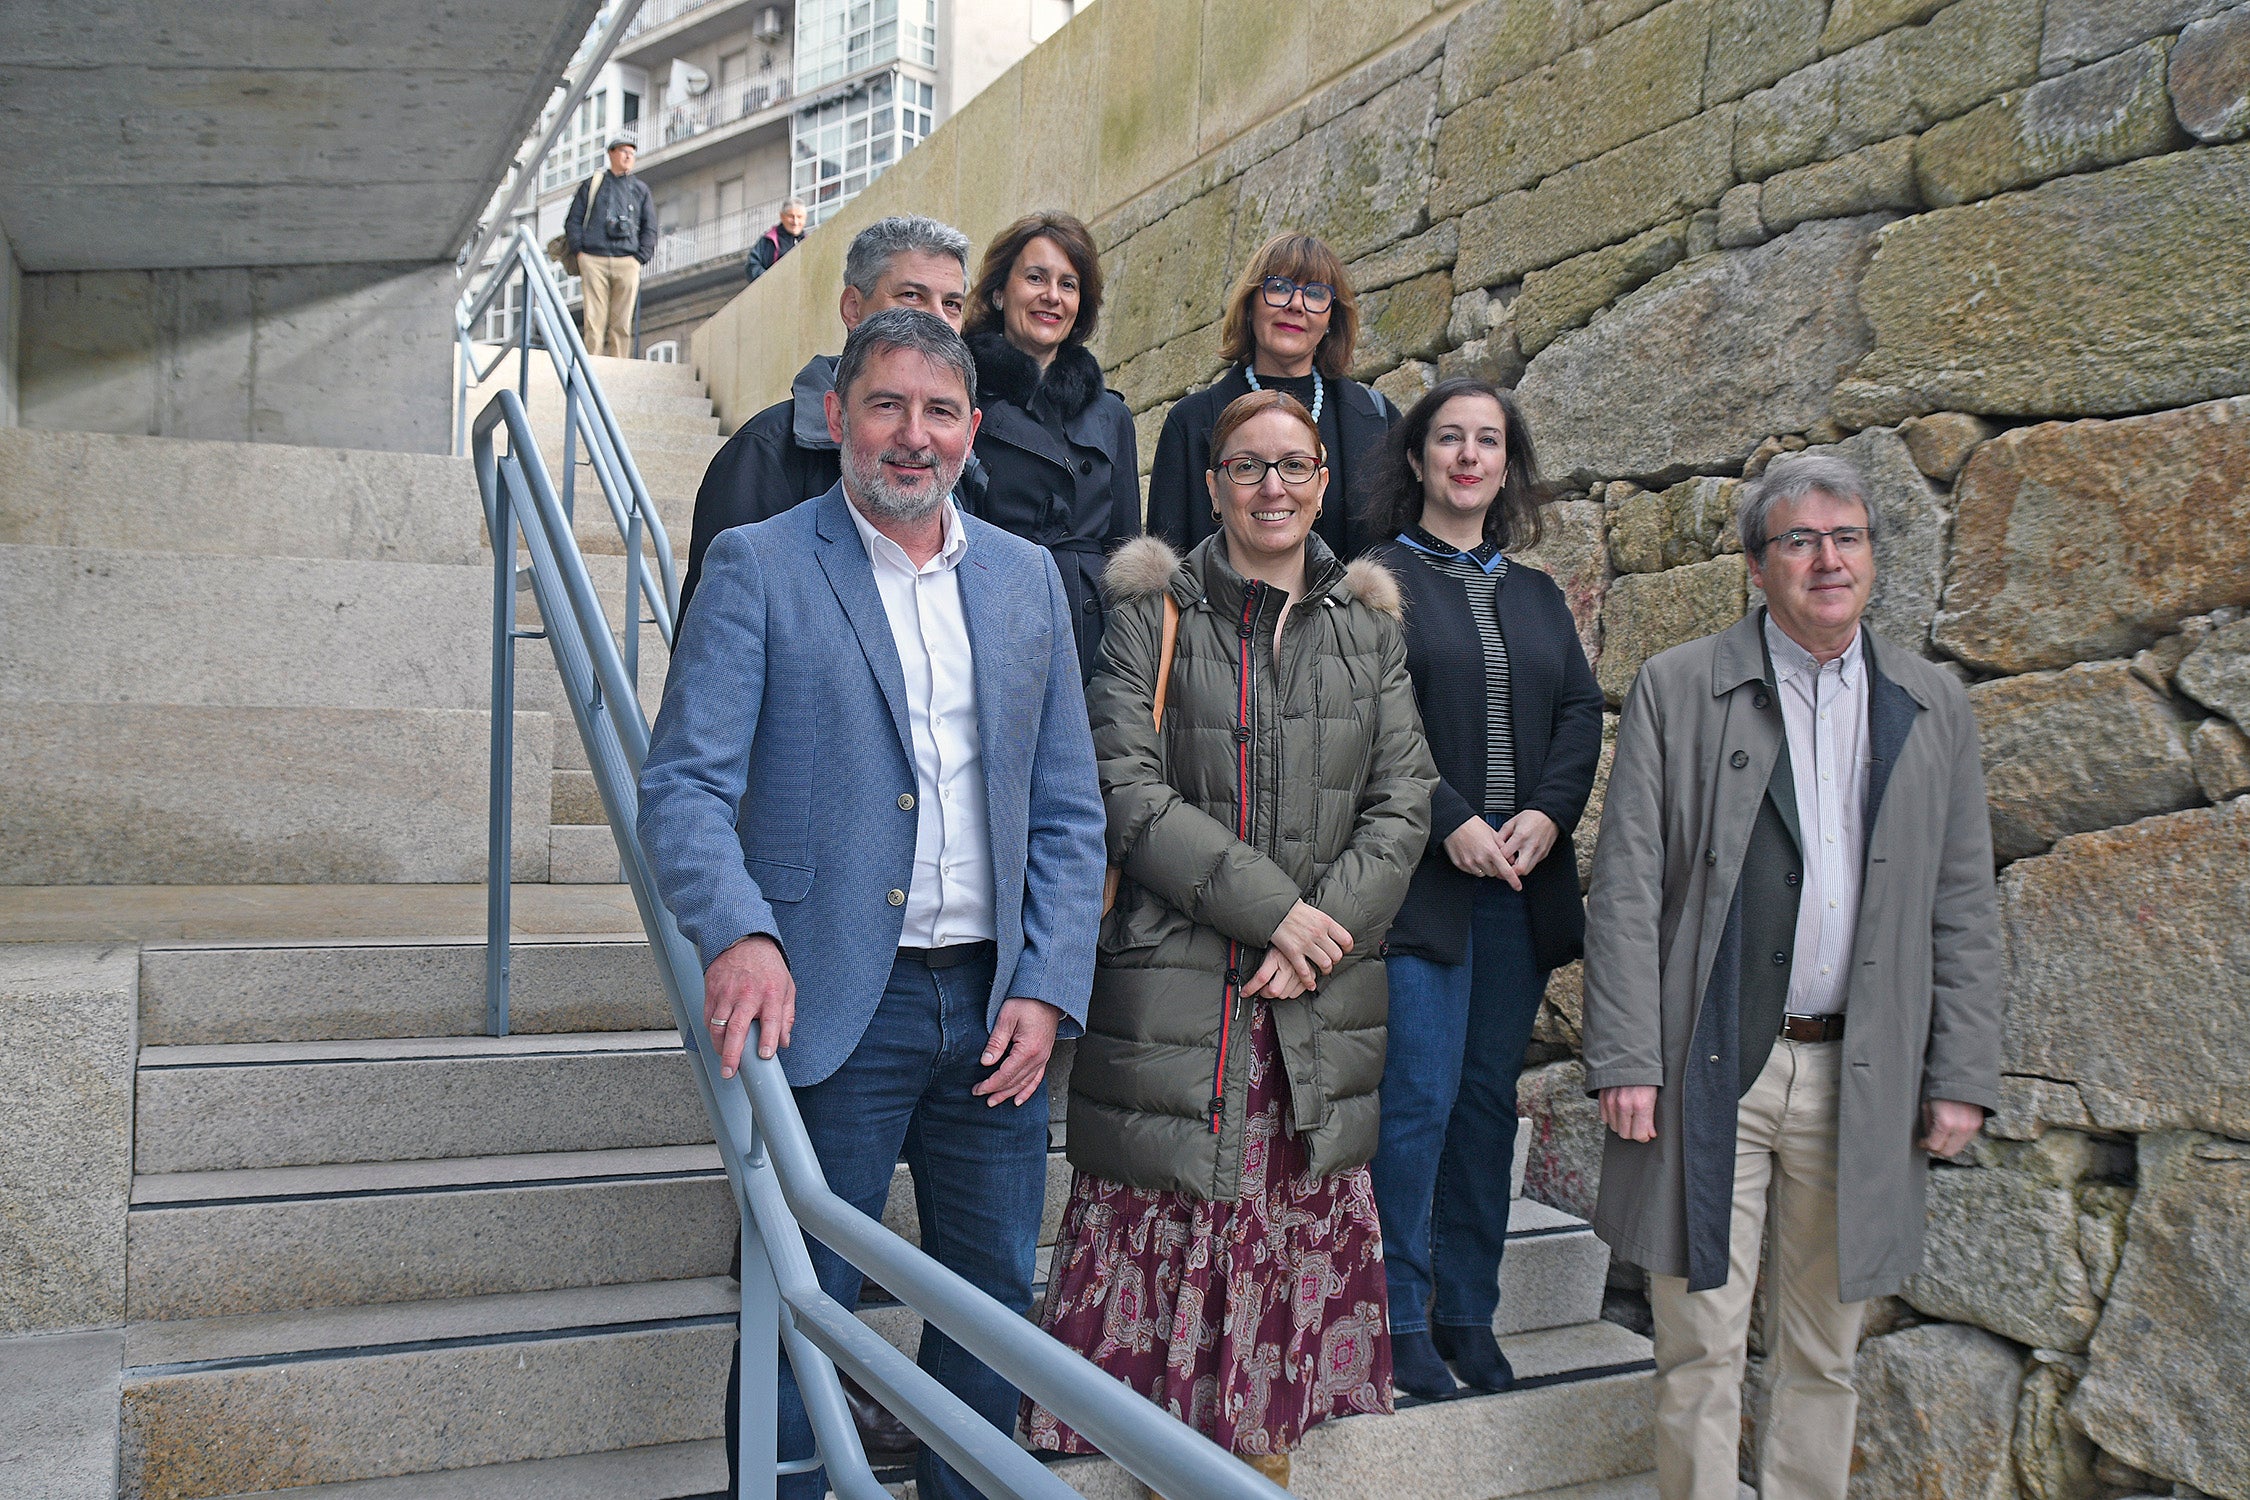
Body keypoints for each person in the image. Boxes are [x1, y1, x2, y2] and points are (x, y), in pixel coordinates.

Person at [638, 308, 1106, 1500]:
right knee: (805, 1299)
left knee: (991, 1300)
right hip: (832, 1001)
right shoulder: (761, 562)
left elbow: (1068, 813)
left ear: (973, 429)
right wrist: (740, 931)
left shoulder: (1027, 582)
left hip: (997, 1010)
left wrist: (1050, 987)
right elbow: (683, 789)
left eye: (939, 411)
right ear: (838, 416)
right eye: (887, 406)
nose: (913, 436)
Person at [1027, 390, 1437, 1491]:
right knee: (1169, 1200)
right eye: (1247, 468)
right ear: (1211, 485)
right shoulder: (1150, 618)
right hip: (1181, 992)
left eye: (1294, 467)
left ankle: (1259, 1457)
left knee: (1290, 1210)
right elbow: (1123, 787)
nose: (1273, 488)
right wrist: (1279, 913)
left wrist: (1324, 929)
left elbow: (1405, 803)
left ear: (1322, 480)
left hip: (1319, 993)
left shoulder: (1369, 630)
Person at [1582, 453, 2004, 1500]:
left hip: (1860, 1072)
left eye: (1847, 537)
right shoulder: (1681, 687)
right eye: (1801, 541)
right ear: (1758, 567)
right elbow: (1628, 883)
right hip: (1705, 1063)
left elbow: (1962, 901)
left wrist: (1962, 1072)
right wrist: (1627, 1055)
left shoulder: (1930, 702)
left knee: (1824, 1352)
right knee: (1699, 1347)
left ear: (1872, 556)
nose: (1828, 560)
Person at [1359, 378, 1604, 1399]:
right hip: (1421, 890)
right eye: (1448, 439)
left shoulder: (1538, 592)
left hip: (1518, 889)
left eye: (1488, 442)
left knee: (1483, 1108)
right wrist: (1449, 816)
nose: (1468, 456)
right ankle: (1396, 1314)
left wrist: (1547, 813)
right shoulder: (1373, 578)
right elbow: (1373, 720)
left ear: (1508, 466)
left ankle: (1469, 1311)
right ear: (1416, 459)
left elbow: (1582, 713)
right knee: (1414, 1100)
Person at [680, 214, 983, 618]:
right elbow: (714, 650)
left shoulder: (960, 457)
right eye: (911, 295)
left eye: (952, 304)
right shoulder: (766, 453)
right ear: (853, 308)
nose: (935, 321)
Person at [962, 211, 1141, 680]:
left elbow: (1126, 551)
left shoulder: (1112, 417)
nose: (1051, 296)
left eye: (1068, 284)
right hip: (989, 626)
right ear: (1000, 292)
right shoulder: (959, 397)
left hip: (1092, 641)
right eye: (1036, 278)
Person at [1146, 233, 1399, 561]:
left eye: (1315, 293)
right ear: (1250, 306)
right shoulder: (1191, 423)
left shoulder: (1377, 419)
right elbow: (1169, 563)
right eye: (1278, 287)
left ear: (1330, 319)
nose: (1296, 305)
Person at [564, 134, 657, 357]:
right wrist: (580, 251)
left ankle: (619, 364)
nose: (628, 157)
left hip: (627, 259)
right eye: (624, 152)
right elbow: (573, 220)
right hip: (593, 257)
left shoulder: (640, 189)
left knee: (622, 320)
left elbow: (650, 226)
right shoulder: (593, 184)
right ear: (611, 153)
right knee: (594, 318)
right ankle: (592, 362)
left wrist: (640, 257)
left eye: (632, 154)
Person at [745, 199, 807, 282]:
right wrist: (770, 280)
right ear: (782, 216)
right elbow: (752, 265)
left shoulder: (808, 241)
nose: (795, 222)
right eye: (791, 216)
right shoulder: (767, 241)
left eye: (799, 217)